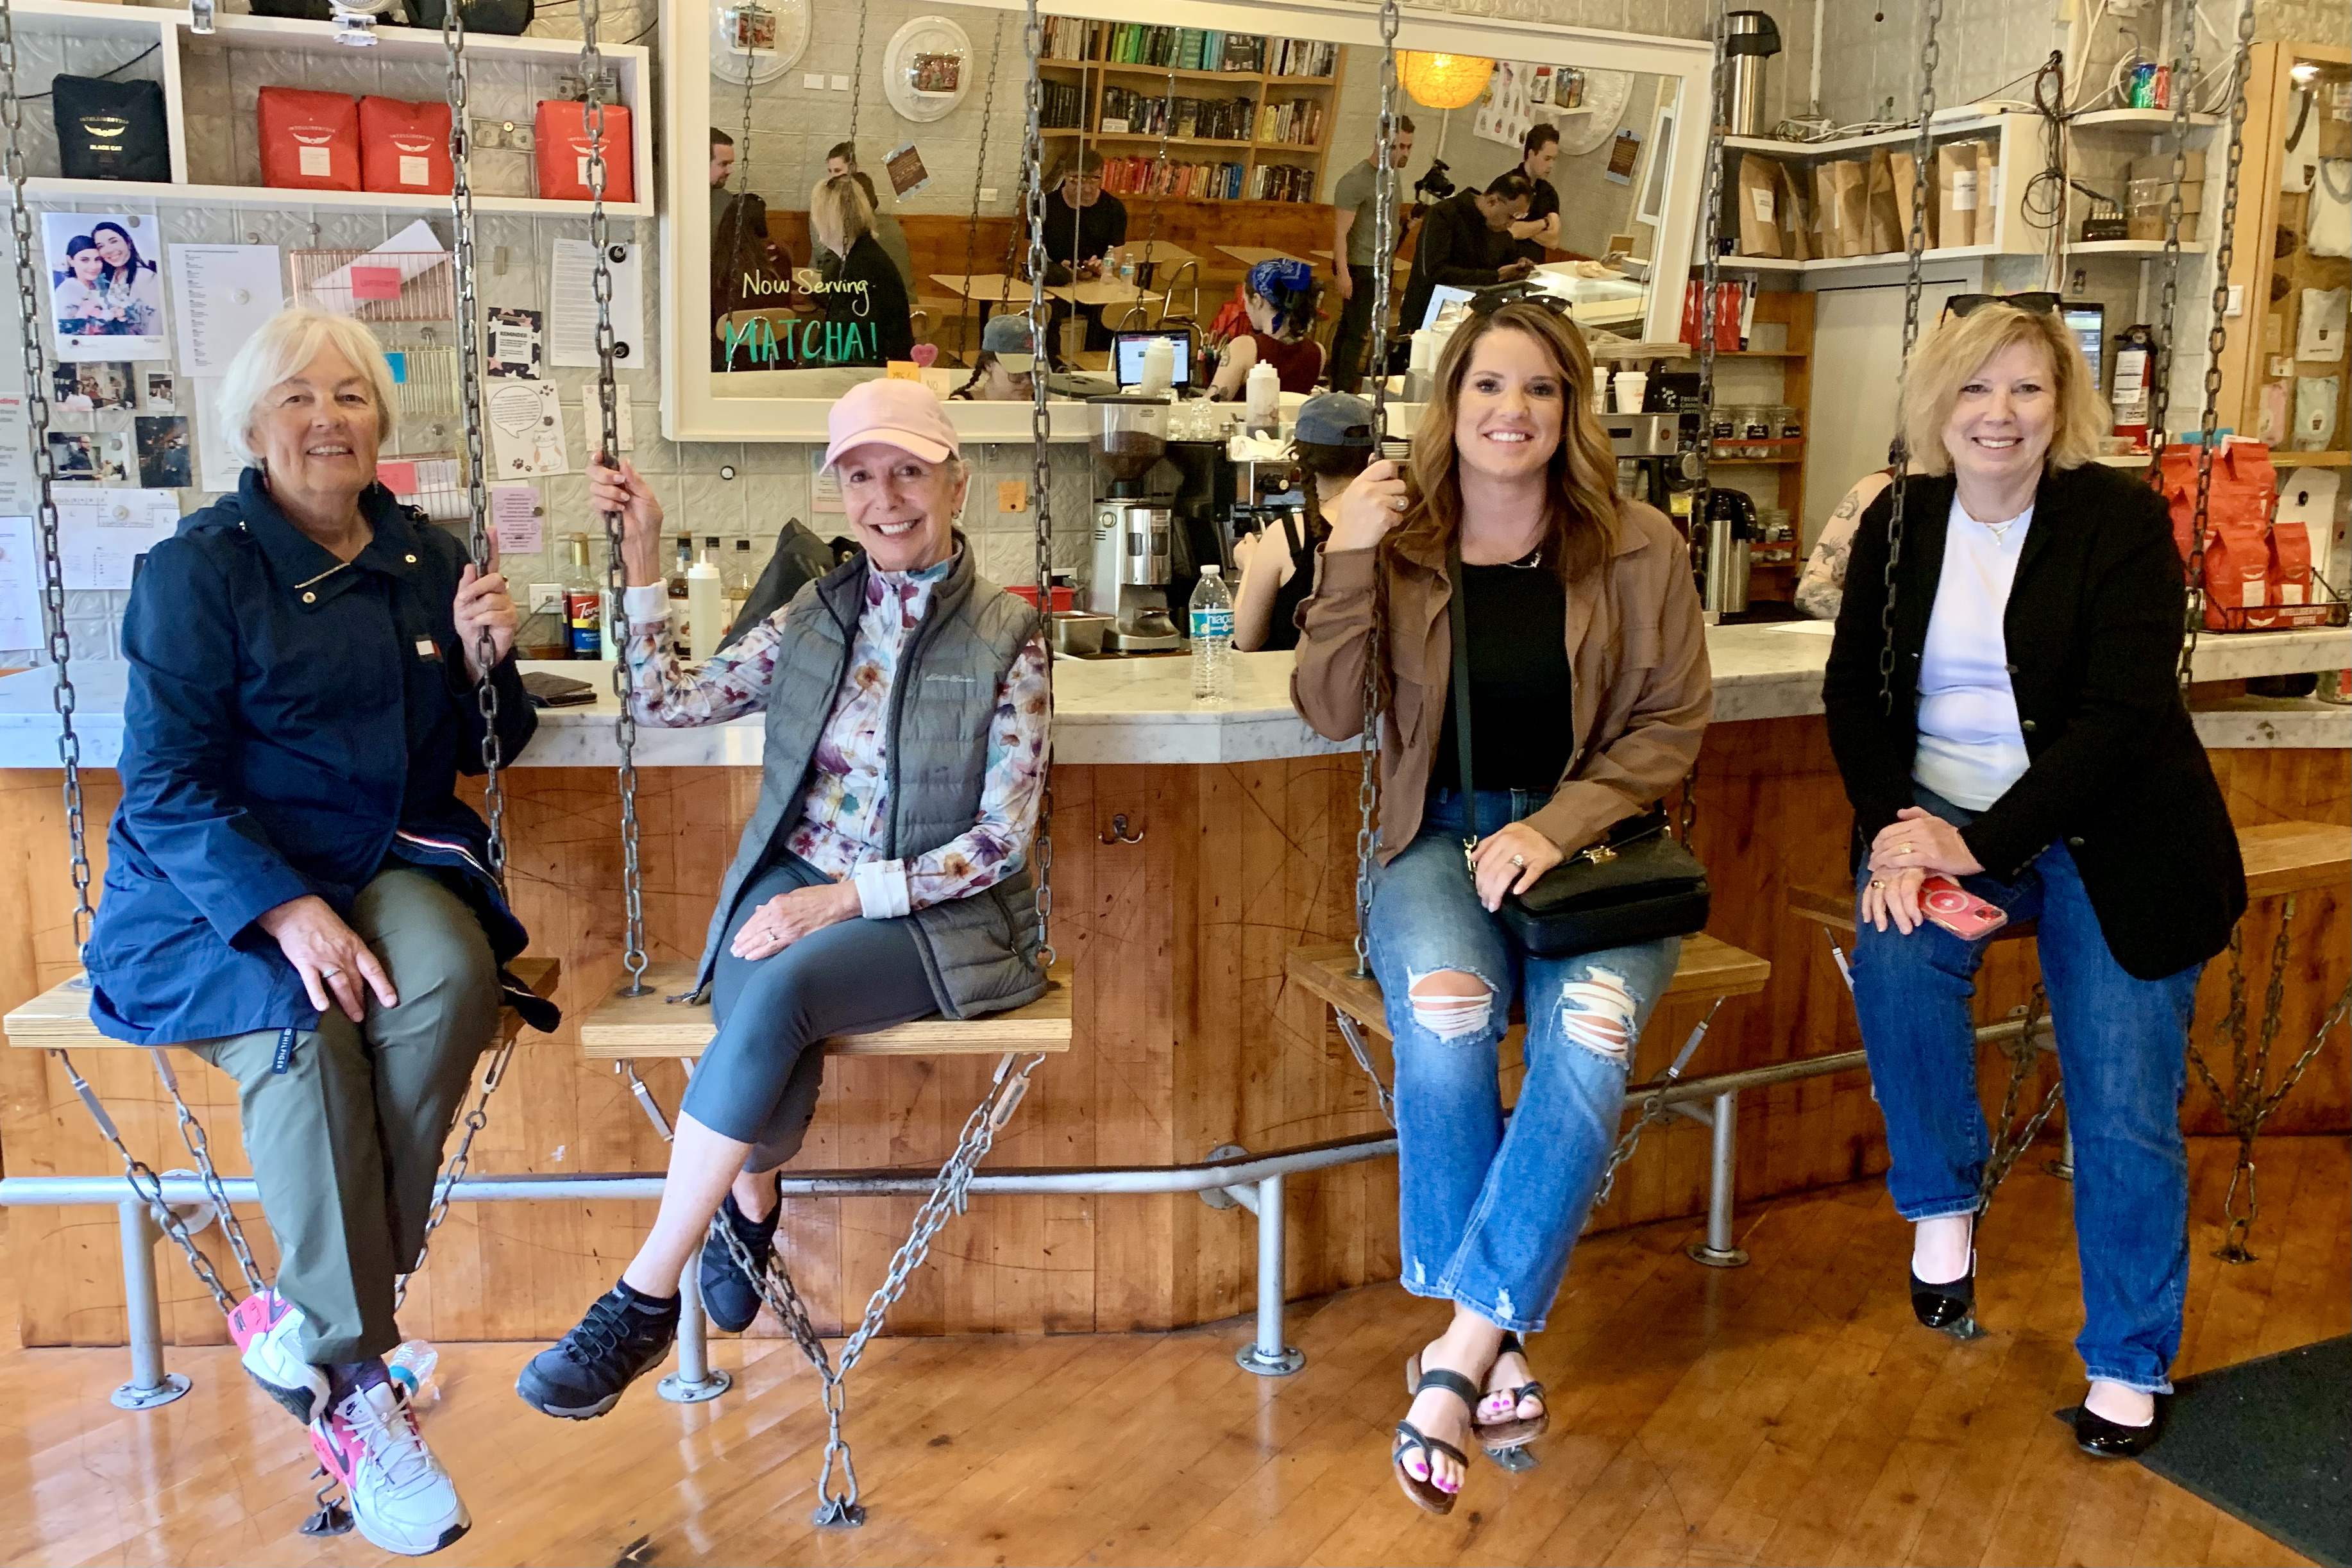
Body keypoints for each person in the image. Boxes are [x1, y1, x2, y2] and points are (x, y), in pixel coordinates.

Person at [80, 307, 550, 1558]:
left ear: (379, 423)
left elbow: (481, 744)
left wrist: (489, 666)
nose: (327, 419)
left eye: (349, 397)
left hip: (378, 856)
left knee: (447, 978)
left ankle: (311, 1312)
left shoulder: (422, 554)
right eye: (298, 396)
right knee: (307, 1025)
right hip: (215, 886)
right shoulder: (198, 570)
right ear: (252, 424)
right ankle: (353, 1384)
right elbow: (165, 785)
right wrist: (283, 910)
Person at [517, 379, 1052, 1421]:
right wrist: (641, 555)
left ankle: (642, 1295)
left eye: (907, 471)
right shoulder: (815, 613)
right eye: (860, 476)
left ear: (956, 481)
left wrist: (844, 899)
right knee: (757, 1001)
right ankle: (749, 1198)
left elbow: (999, 843)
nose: (884, 499)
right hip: (792, 879)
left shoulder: (1007, 635)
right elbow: (666, 701)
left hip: (931, 917)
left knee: (775, 993)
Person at [1290, 299, 1710, 1513]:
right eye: (1487, 386)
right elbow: (1327, 708)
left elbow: (1669, 725)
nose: (1511, 410)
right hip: (1434, 838)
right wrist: (1347, 551)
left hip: (1598, 847)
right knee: (1445, 1008)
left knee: (1589, 1032)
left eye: (1538, 388)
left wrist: (1549, 827)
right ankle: (1495, 1342)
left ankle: (1457, 1357)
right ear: (1450, 403)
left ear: (1570, 409)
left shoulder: (1637, 545)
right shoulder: (1399, 539)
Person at [1822, 296, 2247, 1459]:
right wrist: (1896, 832)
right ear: (1937, 404)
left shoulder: (2117, 518)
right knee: (1896, 956)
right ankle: (1941, 1202)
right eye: (1973, 387)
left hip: (2114, 837)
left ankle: (2125, 1357)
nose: (1997, 413)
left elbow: (2120, 717)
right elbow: (1852, 692)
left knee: (2120, 1101)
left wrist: (1977, 845)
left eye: (2024, 387)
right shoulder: (1899, 518)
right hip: (1940, 820)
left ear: (2061, 405)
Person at [1232, 391, 1375, 652]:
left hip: (1296, 677)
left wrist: (1250, 563)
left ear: (1301, 457)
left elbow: (1246, 639)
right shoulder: (1398, 525)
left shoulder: (1289, 535)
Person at [1329, 117, 1416, 393]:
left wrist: (1406, 225)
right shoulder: (1355, 181)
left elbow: (1385, 224)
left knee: (1357, 330)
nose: (1404, 153)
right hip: (1361, 265)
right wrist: (1343, 273)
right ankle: (1342, 390)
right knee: (1354, 332)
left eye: (1408, 147)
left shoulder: (1393, 175)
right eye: (1399, 146)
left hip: (1382, 263)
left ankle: (1342, 387)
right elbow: (1340, 233)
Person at [1400, 171, 1536, 333]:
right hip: (1428, 318)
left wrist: (1519, 265)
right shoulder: (1444, 214)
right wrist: (1495, 276)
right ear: (1492, 201)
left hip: (1476, 320)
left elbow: (1508, 261)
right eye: (1512, 216)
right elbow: (1434, 272)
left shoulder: (1501, 232)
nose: (1512, 223)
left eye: (1520, 217)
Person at [805, 174, 915, 366]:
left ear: (829, 220)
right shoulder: (860, 256)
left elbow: (843, 350)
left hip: (873, 374)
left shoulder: (861, 267)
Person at [1040, 148, 1129, 359]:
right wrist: (1057, 268)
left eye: (1094, 180)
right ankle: (1053, 364)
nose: (1086, 188)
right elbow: (1032, 251)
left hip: (1095, 282)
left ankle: (1095, 363)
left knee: (1109, 313)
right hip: (1058, 283)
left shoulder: (1113, 208)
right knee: (1047, 312)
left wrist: (1103, 266)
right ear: (1065, 176)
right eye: (1077, 181)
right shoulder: (1046, 206)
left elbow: (1118, 255)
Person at [1209, 258, 1324, 398]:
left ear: (1258, 300)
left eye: (1245, 300)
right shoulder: (1319, 353)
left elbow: (1211, 406)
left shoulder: (1244, 348)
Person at [90, 219, 162, 337]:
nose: (109, 250)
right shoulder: (111, 276)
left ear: (128, 242)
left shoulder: (145, 277)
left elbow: (156, 328)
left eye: (114, 241)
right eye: (101, 246)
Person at [951, 312, 1040, 401]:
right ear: (989, 364)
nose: (1028, 381)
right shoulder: (958, 406)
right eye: (1016, 373)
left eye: (1034, 373)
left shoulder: (1042, 404)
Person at [1507, 124, 1563, 266]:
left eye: (1554, 159)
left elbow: (1553, 241)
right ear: (1531, 154)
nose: (1551, 165)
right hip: (1507, 266)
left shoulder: (1549, 193)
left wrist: (1524, 230)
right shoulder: (1508, 185)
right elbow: (1511, 231)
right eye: (1547, 159)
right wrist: (1544, 223)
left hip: (1536, 269)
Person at [52, 233, 120, 337]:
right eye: (85, 260)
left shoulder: (100, 285)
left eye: (98, 260)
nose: (93, 266)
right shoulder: (67, 290)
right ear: (71, 261)